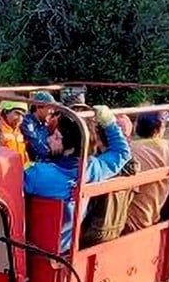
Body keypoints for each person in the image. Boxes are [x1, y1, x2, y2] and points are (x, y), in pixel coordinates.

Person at [24, 105, 132, 252]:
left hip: (34, 249)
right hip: (67, 247)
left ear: (71, 147)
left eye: (56, 137)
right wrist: (109, 123)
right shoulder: (92, 169)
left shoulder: (38, 174)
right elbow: (121, 153)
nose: (49, 139)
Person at [80, 114, 141, 248]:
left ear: (99, 139)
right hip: (115, 230)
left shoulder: (99, 168)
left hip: (93, 232)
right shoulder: (132, 166)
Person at [20, 90, 59, 162]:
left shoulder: (45, 123)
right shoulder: (28, 122)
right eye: (49, 108)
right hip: (33, 162)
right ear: (39, 107)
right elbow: (35, 142)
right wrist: (51, 154)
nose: (52, 111)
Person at [0, 101, 30, 167]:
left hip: (19, 171)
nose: (20, 119)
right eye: (17, 113)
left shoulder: (20, 131)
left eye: (22, 115)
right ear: (6, 112)